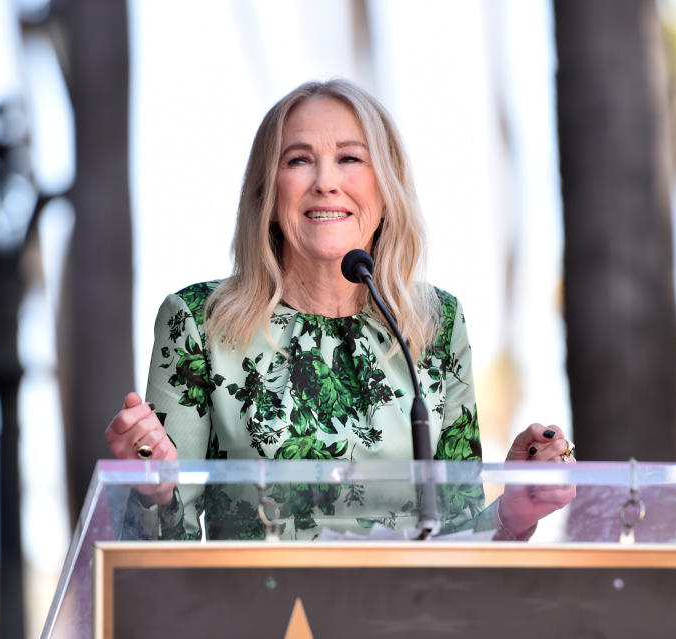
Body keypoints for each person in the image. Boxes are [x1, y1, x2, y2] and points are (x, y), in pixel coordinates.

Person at [105, 79, 575, 540]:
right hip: (262, 615)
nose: (326, 182)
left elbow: (455, 542)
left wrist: (511, 514)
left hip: (407, 616)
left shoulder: (437, 323)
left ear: (386, 190)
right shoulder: (199, 323)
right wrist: (154, 494)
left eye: (349, 158)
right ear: (268, 193)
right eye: (299, 161)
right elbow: (161, 568)